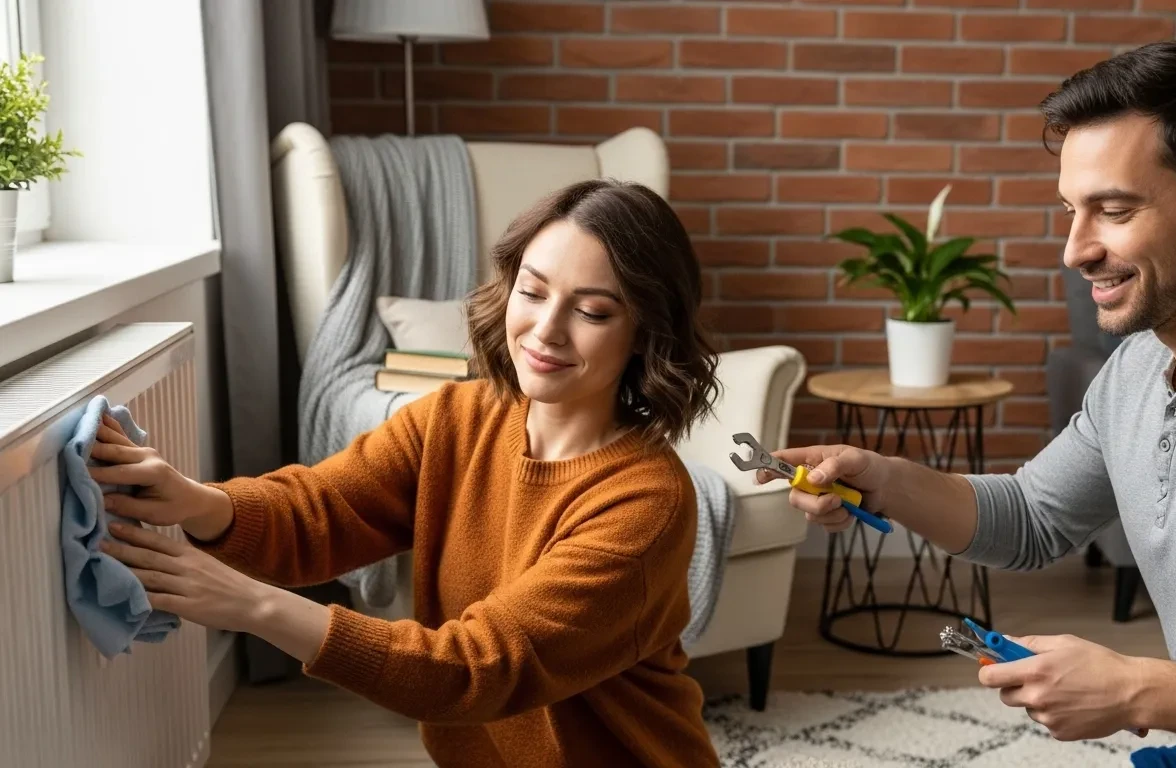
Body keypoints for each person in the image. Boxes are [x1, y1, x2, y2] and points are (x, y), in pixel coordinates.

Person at [767, 39, 1176, 768]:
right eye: (1072, 209)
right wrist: (887, 480)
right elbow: (1035, 518)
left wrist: (1136, 690)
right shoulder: (1138, 366)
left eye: (1113, 210)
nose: (1075, 249)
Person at [89, 178, 724, 767]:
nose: (546, 330)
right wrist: (196, 501)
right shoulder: (459, 416)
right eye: (532, 292)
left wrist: (252, 605)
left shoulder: (646, 503)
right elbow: (325, 510)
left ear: (645, 331)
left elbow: (474, 669)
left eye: (592, 312)